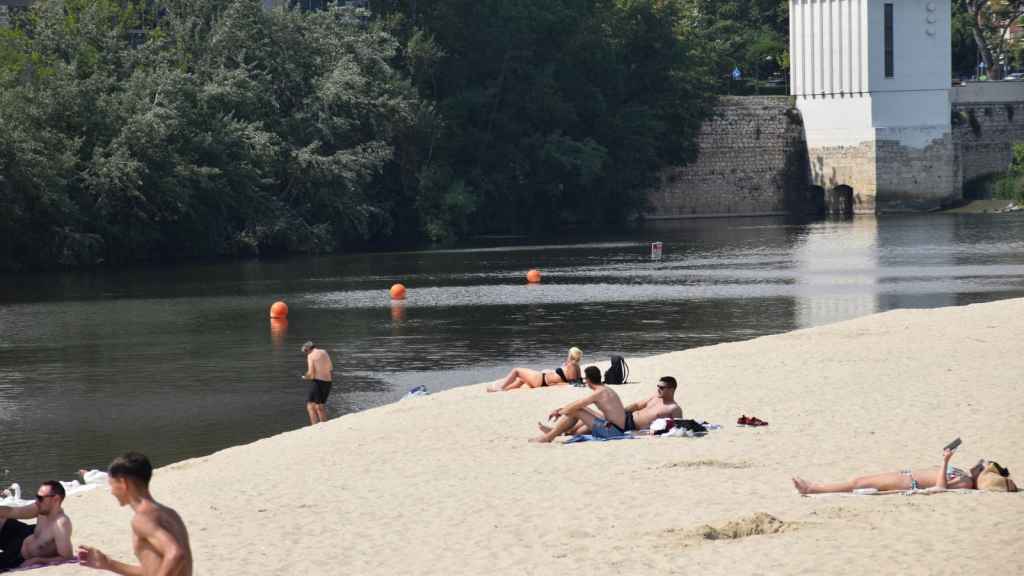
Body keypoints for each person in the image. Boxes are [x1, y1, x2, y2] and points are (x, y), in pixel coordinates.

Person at [78, 452, 192, 576]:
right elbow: (152, 571)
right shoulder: (171, 514)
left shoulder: (142, 518)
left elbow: (175, 554)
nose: (111, 492)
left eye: (111, 484)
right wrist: (108, 563)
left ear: (123, 483)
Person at [792, 447, 1018, 494]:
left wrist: (946, 461)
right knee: (860, 480)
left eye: (982, 466)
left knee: (859, 482)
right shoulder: (966, 477)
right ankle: (814, 487)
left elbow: (940, 487)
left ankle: (813, 488)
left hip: (907, 483)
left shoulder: (967, 483)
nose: (978, 464)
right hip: (905, 476)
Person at [532, 374, 684, 442]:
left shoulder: (673, 409)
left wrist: (642, 433)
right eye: (658, 386)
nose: (658, 389)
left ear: (671, 389)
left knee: (581, 414)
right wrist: (619, 412)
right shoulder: (654, 397)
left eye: (662, 388)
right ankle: (561, 432)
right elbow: (636, 405)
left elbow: (672, 429)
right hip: (623, 419)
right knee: (584, 417)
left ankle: (553, 434)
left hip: (628, 426)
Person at [0, 481, 74, 571]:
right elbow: (14, 512)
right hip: (22, 534)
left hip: (17, 556)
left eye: (40, 498)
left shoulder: (60, 524)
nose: (37, 501)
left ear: (56, 499)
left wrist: (38, 560)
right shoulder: (41, 509)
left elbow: (67, 558)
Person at [487, 347, 583, 392]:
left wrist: (554, 384)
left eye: (568, 354)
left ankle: (501, 388)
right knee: (521, 379)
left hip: (541, 380)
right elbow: (577, 382)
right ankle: (506, 389)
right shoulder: (576, 366)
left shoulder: (571, 366)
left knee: (516, 370)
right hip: (542, 380)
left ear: (570, 355)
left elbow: (572, 384)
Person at [300, 340, 333, 425]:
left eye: (306, 351)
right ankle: (325, 425)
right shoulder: (324, 352)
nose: (306, 353)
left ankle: (314, 427)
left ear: (308, 349)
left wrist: (305, 376)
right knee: (320, 406)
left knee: (310, 405)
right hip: (328, 382)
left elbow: (311, 373)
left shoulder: (310, 356)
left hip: (318, 382)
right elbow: (330, 367)